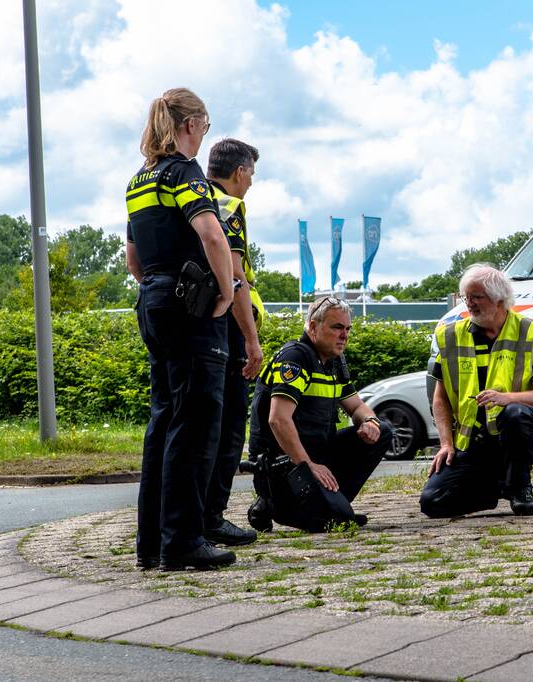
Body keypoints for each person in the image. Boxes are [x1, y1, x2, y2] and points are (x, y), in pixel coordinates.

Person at [125, 88, 235, 571]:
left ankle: (151, 543)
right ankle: (184, 541)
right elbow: (211, 233)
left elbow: (133, 257)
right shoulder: (184, 173)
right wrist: (226, 291)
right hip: (190, 308)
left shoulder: (138, 180)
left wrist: (158, 283)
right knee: (194, 425)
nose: (203, 135)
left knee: (164, 421)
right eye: (205, 127)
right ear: (192, 125)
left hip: (153, 298)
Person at [420, 264, 533, 518]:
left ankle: (520, 486)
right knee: (432, 502)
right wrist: (445, 443)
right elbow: (440, 398)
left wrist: (505, 398)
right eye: (466, 297)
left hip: (524, 432)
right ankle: (499, 487)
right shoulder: (449, 336)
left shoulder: (532, 333)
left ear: (499, 300)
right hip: (475, 443)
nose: (468, 304)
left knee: (514, 413)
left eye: (476, 297)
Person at [245, 297, 391, 532]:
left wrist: (370, 422)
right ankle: (275, 504)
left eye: (347, 329)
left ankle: (333, 503)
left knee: (383, 431)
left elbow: (356, 407)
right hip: (284, 465)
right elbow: (278, 419)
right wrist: (309, 465)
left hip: (316, 455)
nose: (344, 335)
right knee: (336, 521)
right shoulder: (296, 358)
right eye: (337, 327)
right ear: (313, 327)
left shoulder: (333, 362)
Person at [201, 138, 264, 547]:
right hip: (229, 330)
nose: (251, 184)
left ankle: (197, 515)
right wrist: (252, 341)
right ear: (239, 172)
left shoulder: (194, 196)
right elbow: (236, 277)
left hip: (196, 322)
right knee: (227, 430)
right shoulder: (230, 207)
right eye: (252, 174)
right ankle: (214, 517)